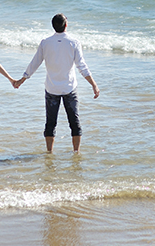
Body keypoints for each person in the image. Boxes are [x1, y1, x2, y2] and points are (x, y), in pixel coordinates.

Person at [13, 14, 99, 153]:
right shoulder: (74, 42)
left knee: (50, 123)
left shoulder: (45, 42)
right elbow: (82, 66)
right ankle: (76, 153)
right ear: (66, 25)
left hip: (52, 88)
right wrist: (94, 85)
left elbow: (34, 63)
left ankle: (49, 152)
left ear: (53, 26)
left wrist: (22, 80)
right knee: (74, 123)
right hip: (69, 88)